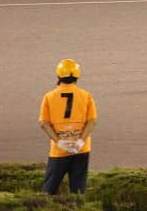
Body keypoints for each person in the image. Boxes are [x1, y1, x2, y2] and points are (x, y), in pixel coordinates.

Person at [38, 59, 97, 195]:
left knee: (48, 191)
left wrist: (59, 142)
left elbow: (44, 123)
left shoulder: (49, 96)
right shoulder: (86, 96)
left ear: (58, 76)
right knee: (78, 192)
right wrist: (80, 141)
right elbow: (92, 121)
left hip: (59, 151)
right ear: (77, 76)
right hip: (81, 149)